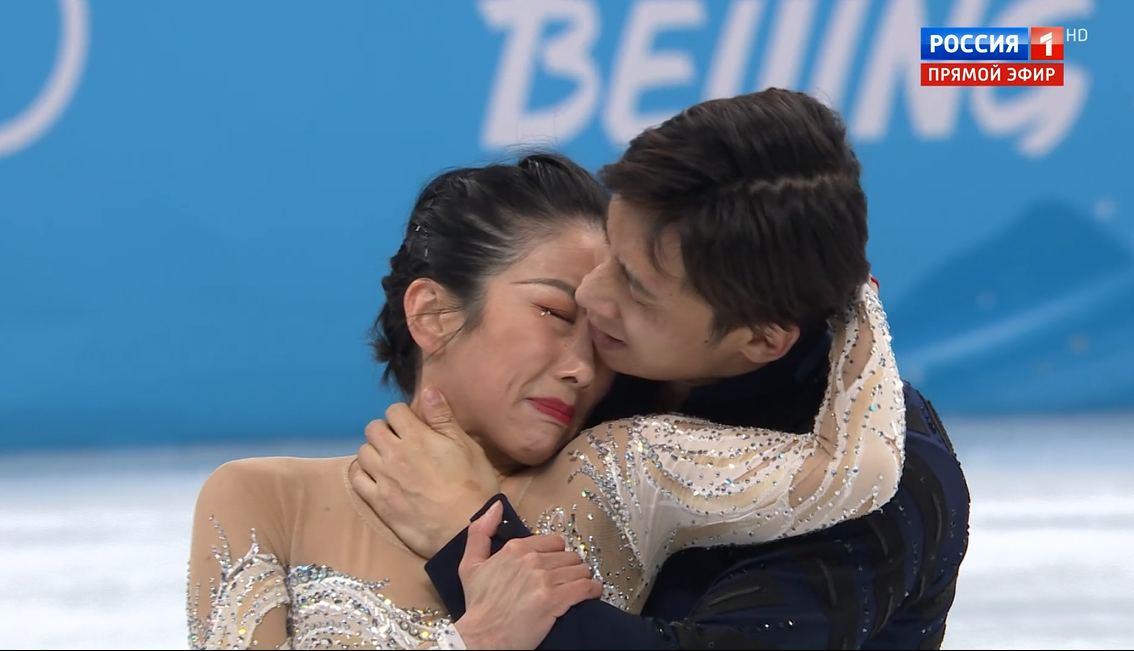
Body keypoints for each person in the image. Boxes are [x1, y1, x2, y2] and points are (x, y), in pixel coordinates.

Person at [185, 150, 906, 649]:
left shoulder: (626, 470)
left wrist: (846, 293)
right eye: (556, 314)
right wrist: (476, 641)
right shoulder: (264, 501)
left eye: (602, 338)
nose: (583, 369)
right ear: (433, 313)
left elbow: (861, 470)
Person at [351, 89, 972, 649]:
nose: (591, 294)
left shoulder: (888, 494)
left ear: (761, 338)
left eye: (636, 289)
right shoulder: (609, 360)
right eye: (611, 251)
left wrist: (469, 533)